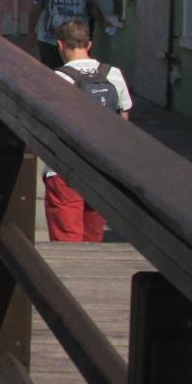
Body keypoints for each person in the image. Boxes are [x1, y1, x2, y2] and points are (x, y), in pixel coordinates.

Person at [46, 19, 131, 242]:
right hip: (103, 166)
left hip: (65, 168)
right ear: (89, 44)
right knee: (93, 237)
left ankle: (67, 277)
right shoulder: (113, 74)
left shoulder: (57, 79)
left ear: (60, 45)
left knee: (67, 238)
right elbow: (123, 118)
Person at [28, 0, 106, 67]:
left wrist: (103, 23)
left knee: (73, 69)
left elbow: (93, 7)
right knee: (51, 70)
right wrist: (31, 31)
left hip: (74, 41)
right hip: (49, 40)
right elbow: (35, 9)